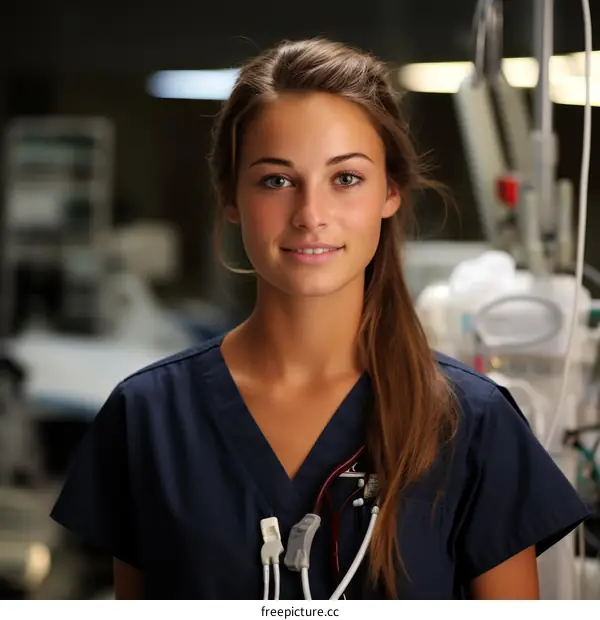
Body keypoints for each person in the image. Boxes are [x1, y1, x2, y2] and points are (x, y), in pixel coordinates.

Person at [50, 37, 590, 600]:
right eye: (276, 180)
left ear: (391, 192)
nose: (311, 215)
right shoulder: (148, 420)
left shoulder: (472, 425)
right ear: (231, 196)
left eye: (346, 178)